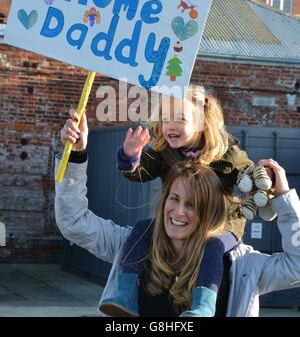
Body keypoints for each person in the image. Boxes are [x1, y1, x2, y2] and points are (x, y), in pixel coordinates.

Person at [56, 109, 300, 317]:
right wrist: (76, 155)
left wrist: (284, 199)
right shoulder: (132, 245)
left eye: (193, 205)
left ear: (211, 213)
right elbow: (74, 222)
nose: (179, 211)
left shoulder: (243, 265)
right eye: (174, 198)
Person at [111, 85, 258, 316]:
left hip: (220, 226)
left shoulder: (227, 153)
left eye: (180, 119)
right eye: (166, 118)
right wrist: (129, 157)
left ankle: (203, 306)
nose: (170, 125)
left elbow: (251, 176)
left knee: (213, 245)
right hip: (181, 222)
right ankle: (124, 295)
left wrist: (262, 185)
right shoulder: (164, 151)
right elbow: (140, 171)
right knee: (142, 228)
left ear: (202, 122)